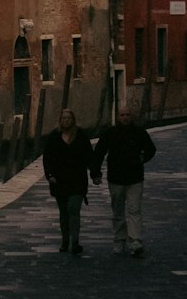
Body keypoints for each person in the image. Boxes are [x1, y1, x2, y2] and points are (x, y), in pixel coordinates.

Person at [91, 109, 157, 258]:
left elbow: (151, 149)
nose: (125, 117)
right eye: (123, 115)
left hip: (135, 177)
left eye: (127, 115)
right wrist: (96, 173)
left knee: (134, 209)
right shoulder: (110, 133)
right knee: (118, 210)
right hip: (116, 177)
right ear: (118, 117)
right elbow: (99, 152)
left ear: (131, 116)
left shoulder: (139, 132)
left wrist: (143, 158)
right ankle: (120, 238)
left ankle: (135, 240)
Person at [42, 109, 95, 255]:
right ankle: (65, 240)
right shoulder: (54, 136)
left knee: (73, 208)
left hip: (77, 180)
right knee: (64, 212)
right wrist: (50, 175)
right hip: (59, 181)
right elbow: (47, 158)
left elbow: (89, 156)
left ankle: (75, 242)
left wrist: (95, 174)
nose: (66, 121)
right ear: (60, 120)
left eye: (69, 118)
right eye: (63, 118)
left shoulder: (81, 136)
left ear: (73, 119)